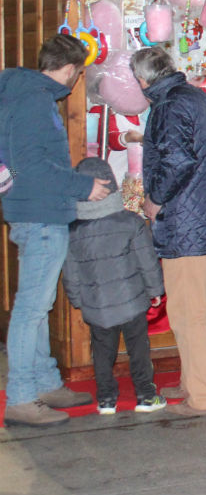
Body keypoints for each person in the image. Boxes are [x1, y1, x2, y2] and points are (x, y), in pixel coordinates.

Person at [0, 35, 111, 427]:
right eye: (79, 74)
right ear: (70, 71)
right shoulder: (34, 101)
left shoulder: (22, 93)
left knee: (37, 305)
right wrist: (85, 187)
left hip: (30, 209)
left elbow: (16, 166)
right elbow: (32, 165)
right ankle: (21, 397)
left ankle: (45, 383)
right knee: (31, 309)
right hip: (42, 215)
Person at [133, 45, 206, 417]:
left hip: (185, 225)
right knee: (199, 313)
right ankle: (193, 381)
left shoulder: (168, 105)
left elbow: (177, 161)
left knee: (187, 315)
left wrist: (154, 200)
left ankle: (202, 398)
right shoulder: (195, 96)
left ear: (142, 79)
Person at [64, 156, 167, 416]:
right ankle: (146, 395)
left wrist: (77, 298)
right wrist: (155, 290)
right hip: (132, 301)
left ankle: (106, 400)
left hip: (97, 307)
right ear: (111, 185)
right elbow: (147, 260)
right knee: (138, 349)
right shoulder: (130, 222)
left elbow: (71, 272)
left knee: (102, 353)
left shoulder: (73, 231)